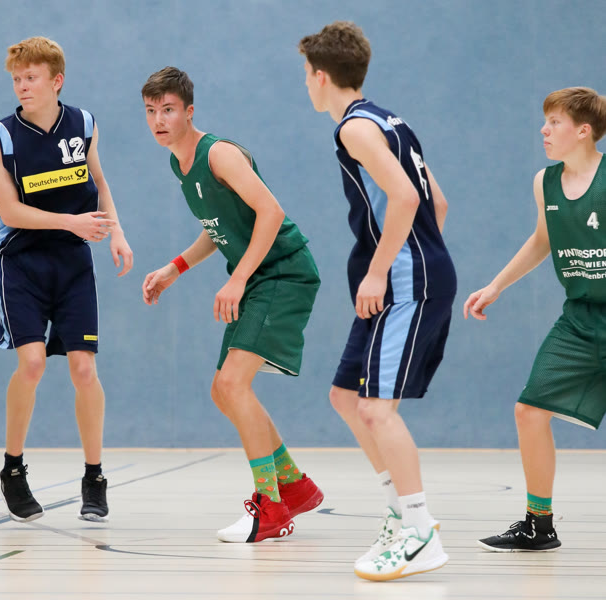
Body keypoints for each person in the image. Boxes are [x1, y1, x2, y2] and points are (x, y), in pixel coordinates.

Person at [140, 66, 324, 543]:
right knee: (223, 391)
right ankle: (294, 485)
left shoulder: (218, 153)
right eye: (151, 111)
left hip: (282, 273)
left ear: (189, 112)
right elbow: (218, 227)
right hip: (259, 276)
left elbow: (271, 211)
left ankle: (271, 506)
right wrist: (175, 268)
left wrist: (238, 278)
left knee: (232, 383)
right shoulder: (179, 164)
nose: (159, 120)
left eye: (168, 110)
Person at [298, 22, 455, 579]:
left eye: (306, 75)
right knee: (346, 397)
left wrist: (385, 268)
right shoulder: (390, 120)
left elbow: (407, 197)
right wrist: (417, 257)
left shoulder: (354, 129)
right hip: (409, 274)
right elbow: (438, 202)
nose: (306, 84)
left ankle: (420, 531)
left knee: (375, 409)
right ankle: (398, 513)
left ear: (321, 76)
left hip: (405, 280)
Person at [0, 37, 133, 523]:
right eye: (16, 79)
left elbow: (99, 181)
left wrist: (116, 232)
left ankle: (94, 477)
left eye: (30, 77)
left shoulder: (83, 124)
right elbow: (10, 211)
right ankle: (12, 469)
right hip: (21, 260)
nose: (21, 86)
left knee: (84, 370)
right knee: (31, 364)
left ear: (56, 81)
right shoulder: (1, 136)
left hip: (72, 262)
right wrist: (72, 223)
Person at [465, 87, 606, 552]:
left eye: (555, 122)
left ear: (583, 131)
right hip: (579, 320)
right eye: (545, 121)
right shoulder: (544, 182)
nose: (544, 131)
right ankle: (538, 525)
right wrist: (496, 285)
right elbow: (543, 240)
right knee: (529, 410)